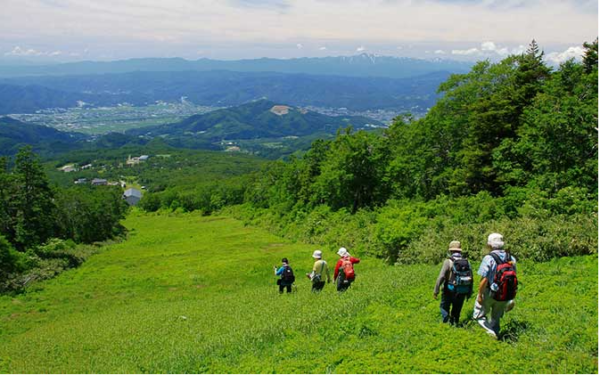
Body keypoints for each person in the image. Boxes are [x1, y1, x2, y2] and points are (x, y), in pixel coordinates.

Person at [473, 233, 518, 338]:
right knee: (496, 317)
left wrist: (480, 294)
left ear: (489, 245)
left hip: (489, 292)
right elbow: (513, 277)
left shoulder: (489, 258)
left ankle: (490, 333)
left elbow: (484, 279)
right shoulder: (511, 258)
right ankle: (497, 335)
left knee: (479, 315)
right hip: (505, 292)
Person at [433, 241, 473, 325]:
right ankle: (455, 324)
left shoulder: (448, 261)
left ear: (451, 251)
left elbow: (441, 277)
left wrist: (436, 290)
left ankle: (446, 322)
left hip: (449, 289)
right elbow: (471, 278)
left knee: (444, 307)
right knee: (457, 309)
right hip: (462, 290)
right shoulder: (467, 262)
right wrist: (469, 292)